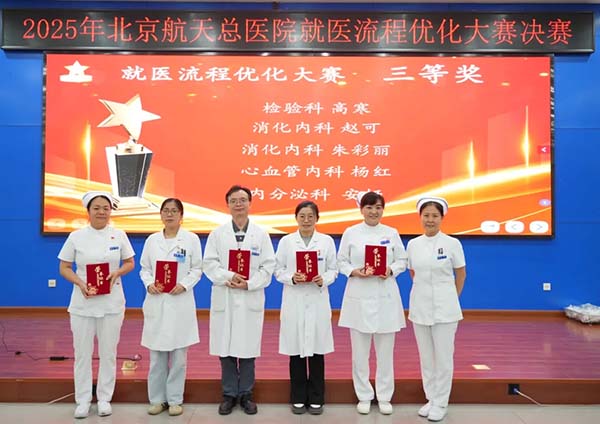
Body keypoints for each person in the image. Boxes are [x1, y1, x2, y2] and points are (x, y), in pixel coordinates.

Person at [58, 191, 135, 419]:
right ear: (88, 211)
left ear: (110, 211)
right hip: (83, 303)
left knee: (108, 353)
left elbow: (130, 262)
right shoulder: (76, 236)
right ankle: (82, 400)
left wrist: (117, 272)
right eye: (97, 208)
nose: (102, 212)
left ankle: (104, 399)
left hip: (112, 303)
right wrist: (80, 283)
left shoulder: (119, 235)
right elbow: (64, 267)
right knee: (82, 354)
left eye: (106, 208)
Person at [203, 185, 276, 415]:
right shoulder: (217, 234)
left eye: (243, 200)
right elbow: (209, 264)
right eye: (234, 200)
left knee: (247, 349)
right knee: (225, 350)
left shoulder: (261, 235)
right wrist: (229, 276)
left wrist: (249, 283)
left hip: (249, 296)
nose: (238, 204)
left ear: (250, 203)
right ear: (227, 205)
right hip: (225, 295)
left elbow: (268, 267)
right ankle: (228, 394)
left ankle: (245, 394)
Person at [337, 191, 408, 415]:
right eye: (369, 207)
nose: (374, 212)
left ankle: (385, 396)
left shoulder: (391, 233)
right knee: (360, 354)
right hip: (359, 295)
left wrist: (391, 269)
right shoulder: (351, 232)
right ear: (361, 209)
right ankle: (364, 396)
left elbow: (402, 260)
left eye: (378, 207)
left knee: (385, 354)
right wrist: (354, 271)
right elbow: (341, 261)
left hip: (385, 296)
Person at [139, 198, 203, 417]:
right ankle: (157, 400)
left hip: (179, 302)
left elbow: (197, 269)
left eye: (174, 211)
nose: (169, 214)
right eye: (165, 211)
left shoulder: (191, 239)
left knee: (178, 358)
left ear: (181, 216)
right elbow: (144, 269)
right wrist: (149, 284)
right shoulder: (152, 240)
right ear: (161, 215)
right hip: (157, 301)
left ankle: (175, 400)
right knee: (157, 358)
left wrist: (184, 285)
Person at [274, 201, 337, 415]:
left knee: (317, 350)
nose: (306, 220)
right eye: (302, 216)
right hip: (295, 299)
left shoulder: (326, 241)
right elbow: (278, 269)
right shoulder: (287, 241)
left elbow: (334, 269)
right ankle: (298, 396)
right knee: (296, 350)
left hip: (317, 299)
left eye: (311, 216)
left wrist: (323, 279)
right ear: (296, 218)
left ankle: (317, 397)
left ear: (317, 218)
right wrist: (291, 277)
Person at [407, 196, 466, 422]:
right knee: (426, 358)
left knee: (443, 358)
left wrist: (451, 297)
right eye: (426, 215)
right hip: (420, 306)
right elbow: (413, 273)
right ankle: (431, 398)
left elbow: (461, 274)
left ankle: (441, 403)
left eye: (434, 216)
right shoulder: (413, 244)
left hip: (445, 309)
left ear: (442, 218)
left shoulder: (452, 243)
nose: (430, 220)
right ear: (420, 217)